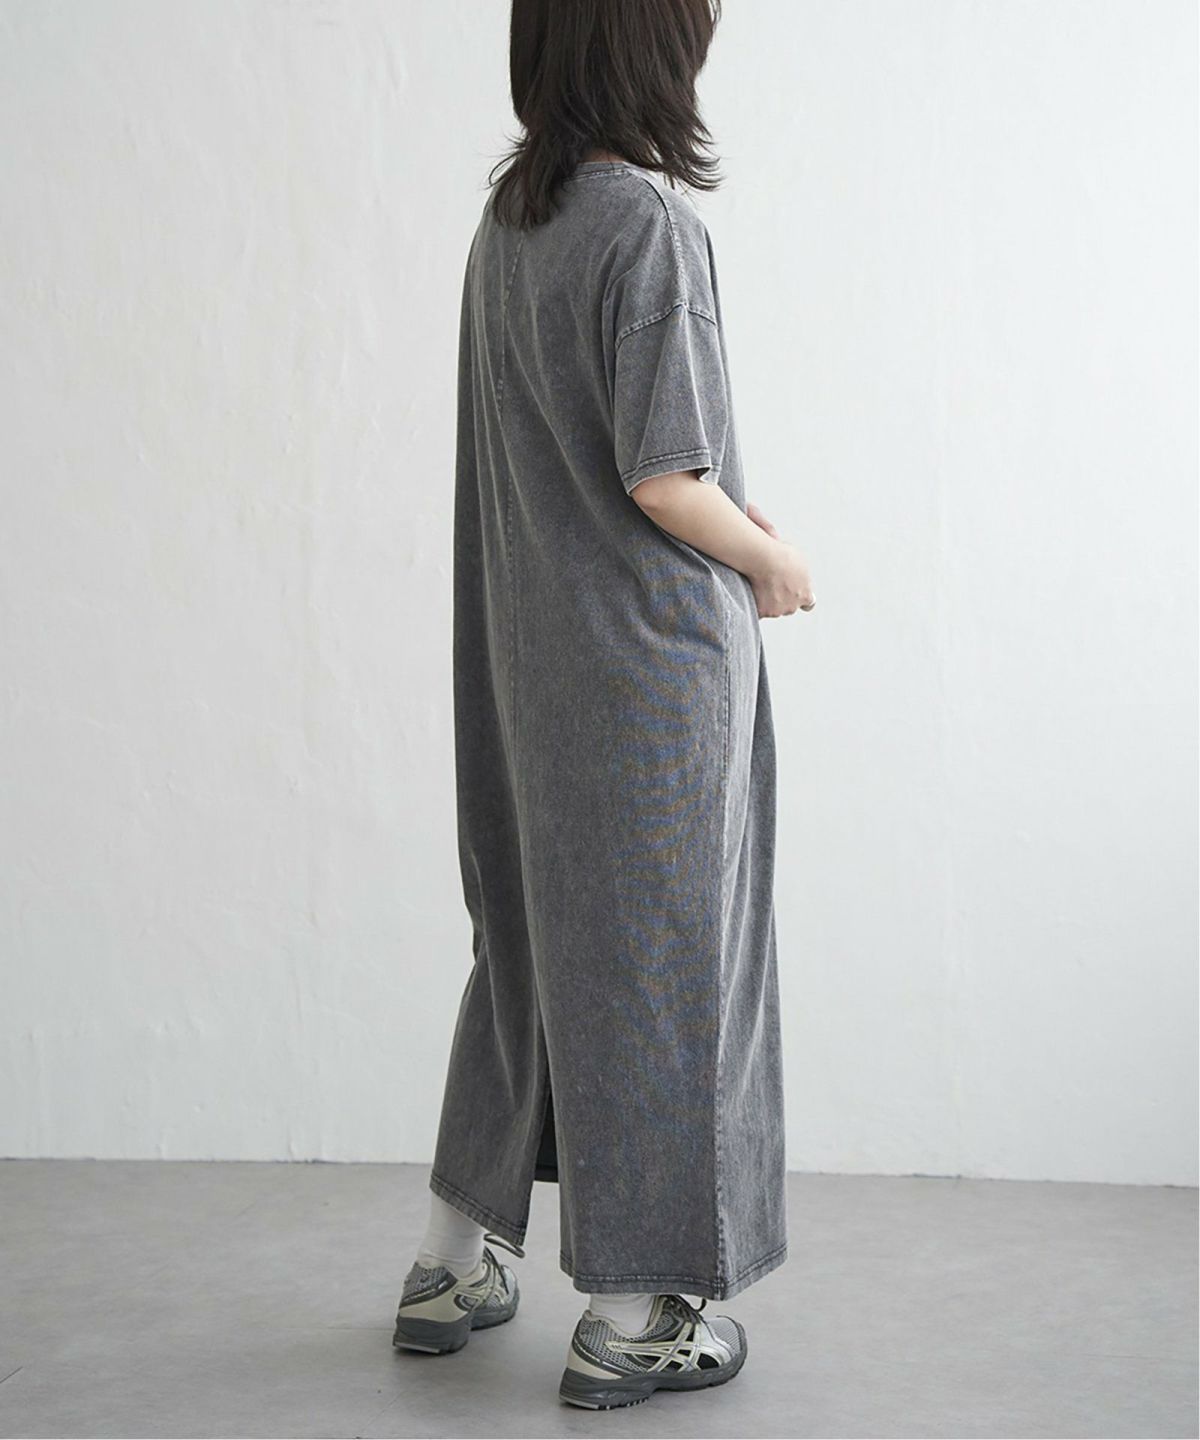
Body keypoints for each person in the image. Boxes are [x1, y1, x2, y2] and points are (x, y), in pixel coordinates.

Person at [392, 0, 815, 1411]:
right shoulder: (651, 227)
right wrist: (769, 559)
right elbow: (663, 479)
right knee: (659, 969)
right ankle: (636, 1315)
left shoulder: (509, 226)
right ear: (654, 48)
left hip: (531, 662)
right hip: (650, 675)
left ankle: (449, 1261)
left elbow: (569, 457)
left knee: (525, 947)